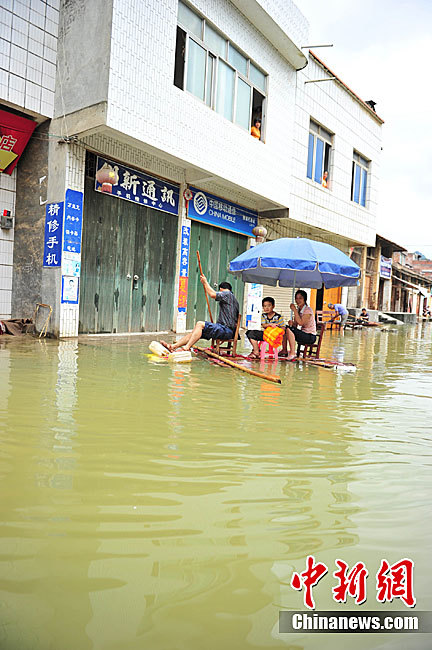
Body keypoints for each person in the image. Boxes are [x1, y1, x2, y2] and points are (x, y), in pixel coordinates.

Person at [161, 275, 239, 352]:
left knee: (200, 324)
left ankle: (186, 348)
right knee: (196, 332)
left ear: (222, 290)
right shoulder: (234, 300)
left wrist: (205, 282)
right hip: (224, 329)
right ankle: (173, 346)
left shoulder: (228, 294)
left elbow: (212, 294)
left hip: (226, 330)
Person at [279, 290, 316, 361]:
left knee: (289, 329)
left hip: (310, 336)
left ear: (305, 299)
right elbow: (295, 325)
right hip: (303, 334)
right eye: (296, 298)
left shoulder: (308, 310)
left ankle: (293, 353)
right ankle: (284, 350)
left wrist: (294, 310)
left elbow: (301, 323)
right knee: (285, 328)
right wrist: (292, 323)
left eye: (300, 298)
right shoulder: (299, 310)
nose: (298, 300)